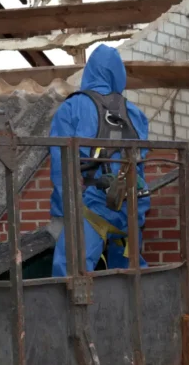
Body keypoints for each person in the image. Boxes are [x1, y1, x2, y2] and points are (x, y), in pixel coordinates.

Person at [49, 44, 150, 277]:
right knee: (129, 277)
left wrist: (62, 212)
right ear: (118, 74)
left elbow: (61, 166)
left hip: (95, 208)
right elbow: (140, 166)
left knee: (70, 276)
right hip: (131, 209)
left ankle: (73, 314)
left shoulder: (72, 108)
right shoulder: (135, 113)